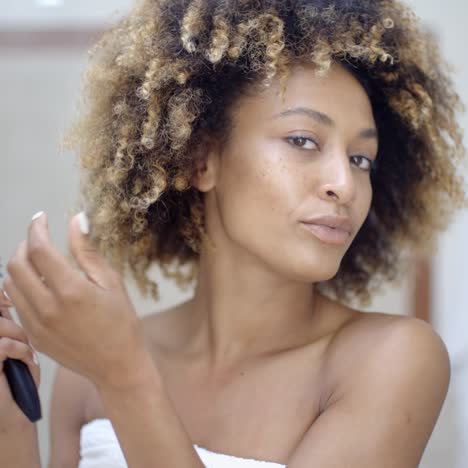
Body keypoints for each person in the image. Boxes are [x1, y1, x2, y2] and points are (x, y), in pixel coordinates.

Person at [1, 0, 468, 466]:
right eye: (303, 141)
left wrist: (126, 378)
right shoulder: (88, 373)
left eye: (360, 159)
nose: (344, 185)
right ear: (202, 160)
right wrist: (9, 425)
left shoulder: (393, 360)